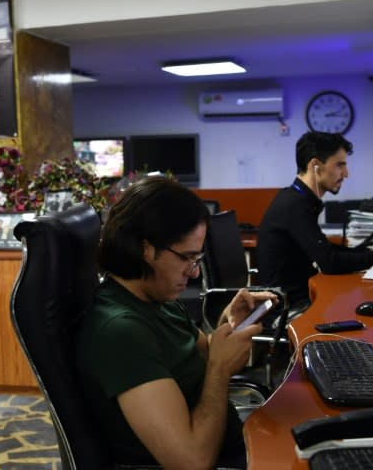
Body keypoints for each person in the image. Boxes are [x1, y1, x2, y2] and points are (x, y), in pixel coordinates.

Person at [75, 176, 277, 469]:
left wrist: (229, 325)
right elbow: (191, 462)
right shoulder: (121, 332)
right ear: (146, 249)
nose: (194, 273)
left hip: (234, 444)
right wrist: (221, 370)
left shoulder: (157, 300)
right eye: (187, 258)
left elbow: (200, 355)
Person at [257, 131, 373, 309]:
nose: (346, 173)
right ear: (315, 165)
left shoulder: (298, 199)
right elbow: (329, 262)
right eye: (339, 165)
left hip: (299, 295)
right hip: (286, 307)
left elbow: (325, 249)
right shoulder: (294, 205)